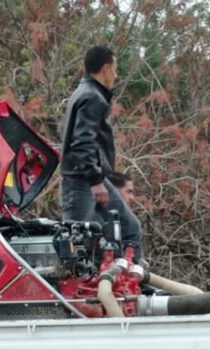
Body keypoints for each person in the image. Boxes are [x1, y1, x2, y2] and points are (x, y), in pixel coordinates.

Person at [60, 46, 143, 262]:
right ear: (105, 68)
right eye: (115, 69)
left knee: (128, 228)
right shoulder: (92, 97)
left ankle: (131, 282)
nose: (116, 75)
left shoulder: (84, 93)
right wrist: (96, 180)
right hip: (83, 183)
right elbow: (82, 143)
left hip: (93, 180)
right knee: (77, 248)